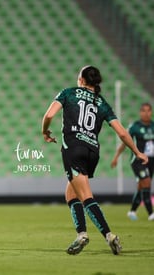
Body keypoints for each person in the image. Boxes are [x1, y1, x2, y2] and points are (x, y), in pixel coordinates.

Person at [41, 65, 148, 255]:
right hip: (92, 152)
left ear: (81, 79)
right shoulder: (102, 103)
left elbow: (49, 115)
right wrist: (137, 152)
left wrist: (45, 132)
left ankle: (109, 235)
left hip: (73, 148)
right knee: (71, 194)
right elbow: (122, 133)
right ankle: (81, 233)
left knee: (86, 197)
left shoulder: (69, 93)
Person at [111, 102, 154, 221]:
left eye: (148, 110)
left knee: (142, 187)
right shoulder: (135, 126)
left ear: (151, 112)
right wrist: (116, 157)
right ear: (140, 112)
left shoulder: (153, 126)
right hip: (138, 161)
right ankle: (151, 213)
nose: (146, 113)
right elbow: (125, 141)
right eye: (143, 110)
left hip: (151, 161)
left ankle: (132, 211)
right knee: (146, 182)